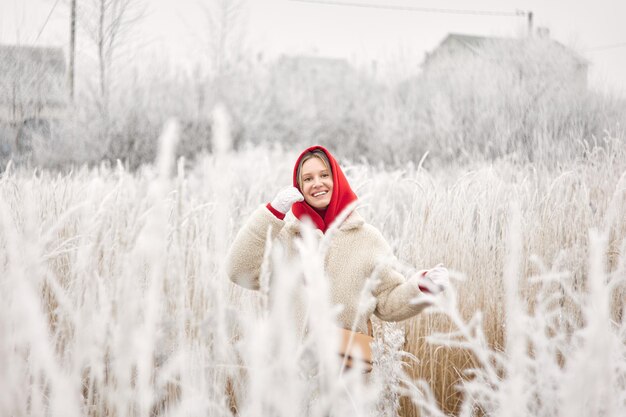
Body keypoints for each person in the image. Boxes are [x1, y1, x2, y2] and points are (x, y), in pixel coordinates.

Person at [226, 145, 449, 370]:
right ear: (299, 187)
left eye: (324, 175)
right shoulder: (285, 239)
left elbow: (388, 302)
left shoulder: (367, 238)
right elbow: (238, 270)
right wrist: (272, 212)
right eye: (308, 178)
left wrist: (421, 286)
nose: (317, 183)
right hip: (290, 381)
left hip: (348, 378)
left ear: (337, 179)